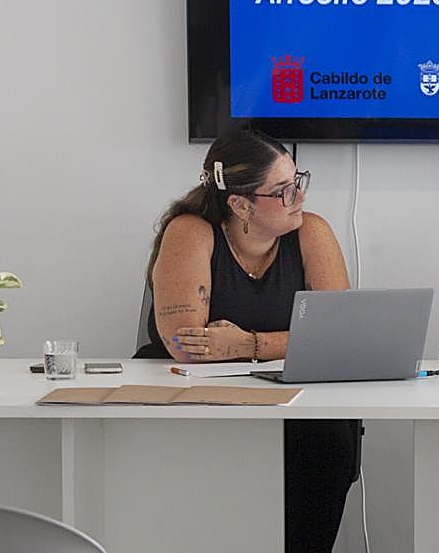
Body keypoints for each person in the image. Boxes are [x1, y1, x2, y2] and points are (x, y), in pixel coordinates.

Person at [139, 127, 357, 553]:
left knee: (328, 442)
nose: (300, 197)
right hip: (200, 397)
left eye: (299, 183)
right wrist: (294, 340)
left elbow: (339, 335)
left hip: (295, 395)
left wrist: (247, 345)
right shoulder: (190, 231)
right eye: (284, 191)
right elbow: (187, 346)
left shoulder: (311, 232)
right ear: (240, 204)